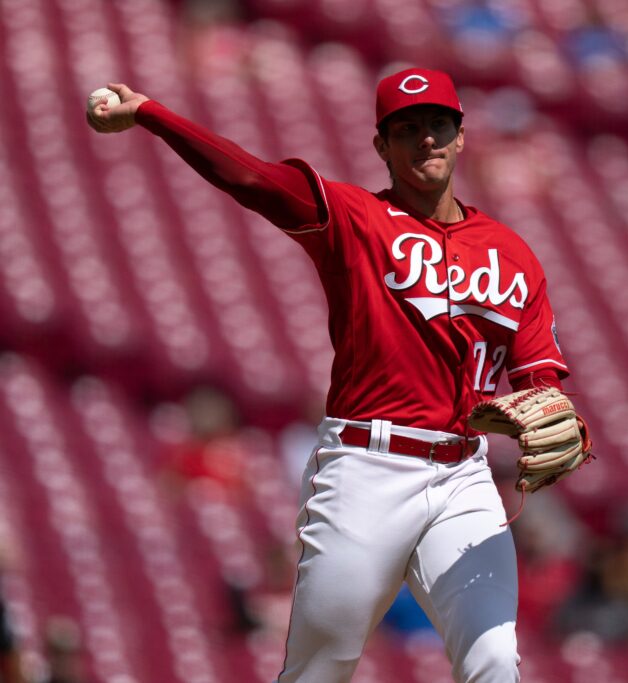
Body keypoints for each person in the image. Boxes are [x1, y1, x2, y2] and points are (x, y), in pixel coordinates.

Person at [87, 67, 583, 683]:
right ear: (382, 146)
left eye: (437, 124)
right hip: (366, 469)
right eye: (406, 129)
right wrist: (153, 114)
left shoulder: (512, 254)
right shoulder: (352, 217)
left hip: (465, 478)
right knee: (320, 668)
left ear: (461, 136)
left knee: (493, 663)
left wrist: (550, 415)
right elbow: (251, 178)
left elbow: (542, 382)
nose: (425, 139)